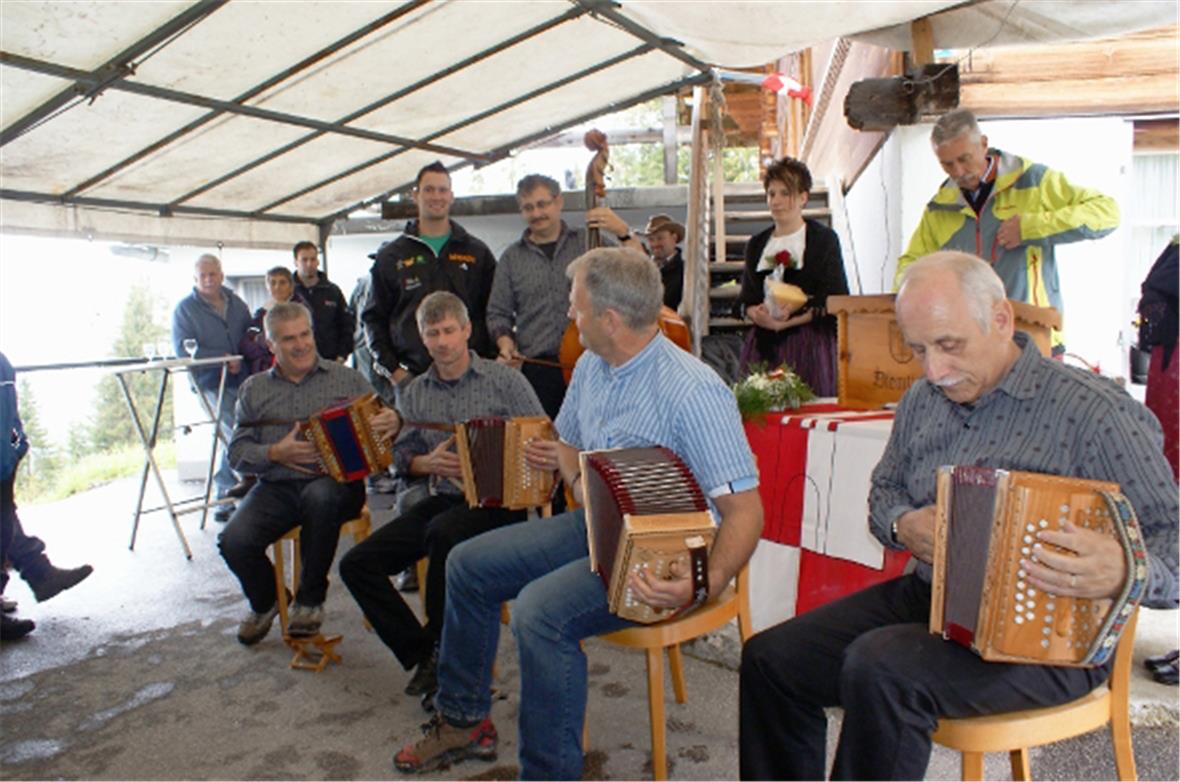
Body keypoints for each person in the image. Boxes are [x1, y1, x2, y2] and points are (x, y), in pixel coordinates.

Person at [738, 251, 1178, 780]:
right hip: (934, 597)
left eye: (949, 346)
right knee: (771, 660)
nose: (934, 371)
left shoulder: (1098, 413)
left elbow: (1171, 537)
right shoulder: (922, 400)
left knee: (881, 667)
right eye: (918, 350)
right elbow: (884, 491)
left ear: (1000, 320)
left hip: (1049, 636)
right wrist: (903, 523)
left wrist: (1128, 568)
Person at [393, 248, 764, 779]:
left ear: (610, 320)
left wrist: (702, 581)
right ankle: (464, 718)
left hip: (666, 557)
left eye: (576, 306)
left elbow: (746, 512)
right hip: (595, 526)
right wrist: (575, 479)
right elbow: (566, 442)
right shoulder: (592, 363)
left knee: (538, 614)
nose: (570, 315)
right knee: (467, 565)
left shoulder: (694, 391)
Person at [340, 291, 546, 701]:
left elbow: (543, 434)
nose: (442, 342)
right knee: (356, 564)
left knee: (442, 533)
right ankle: (425, 653)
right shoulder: (414, 393)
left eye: (450, 330)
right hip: (444, 500)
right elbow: (399, 457)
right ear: (421, 337)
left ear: (467, 331)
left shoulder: (506, 381)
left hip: (501, 505)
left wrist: (514, 462)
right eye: (432, 333)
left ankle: (441, 655)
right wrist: (423, 464)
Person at [219, 302, 401, 644]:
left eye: (305, 334)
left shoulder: (346, 378)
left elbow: (386, 421)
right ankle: (267, 600)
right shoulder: (254, 389)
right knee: (233, 541)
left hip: (339, 485)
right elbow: (237, 455)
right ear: (270, 345)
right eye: (288, 339)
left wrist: (393, 420)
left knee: (320, 495)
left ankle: (310, 599)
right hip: (277, 487)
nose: (300, 344)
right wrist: (274, 452)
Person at [896, 108, 1120, 353]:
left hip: (1035, 338)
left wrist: (1030, 228)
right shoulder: (938, 208)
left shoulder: (1034, 181)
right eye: (947, 164)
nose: (958, 172)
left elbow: (1107, 213)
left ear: (983, 144)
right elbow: (912, 264)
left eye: (964, 159)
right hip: (974, 344)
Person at [488, 174, 643, 419]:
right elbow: (498, 312)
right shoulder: (510, 259)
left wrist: (624, 232)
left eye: (542, 204)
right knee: (546, 447)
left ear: (558, 201)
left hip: (595, 363)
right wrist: (505, 343)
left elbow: (639, 269)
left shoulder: (589, 242)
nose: (536, 213)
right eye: (528, 208)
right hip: (540, 371)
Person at [362, 161, 497, 389]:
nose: (436, 196)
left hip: (471, 379)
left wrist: (493, 362)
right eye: (429, 189)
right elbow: (373, 319)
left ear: (451, 196)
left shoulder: (477, 253)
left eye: (442, 190)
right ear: (415, 195)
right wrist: (394, 372)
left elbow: (494, 311)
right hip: (412, 379)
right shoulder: (390, 257)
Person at [737, 156, 849, 395]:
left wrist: (789, 321)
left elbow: (834, 297)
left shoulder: (823, 240)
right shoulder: (756, 245)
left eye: (785, 193)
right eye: (771, 194)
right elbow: (746, 298)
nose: (776, 201)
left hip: (810, 345)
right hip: (763, 345)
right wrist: (757, 315)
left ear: (803, 197)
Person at [1, 353, 93, 639]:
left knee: (4, 519)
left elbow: (10, 413)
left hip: (5, 455)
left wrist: (18, 445)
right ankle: (39, 573)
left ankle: (40, 573)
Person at [171, 254, 253, 521]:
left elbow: (248, 336)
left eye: (212, 274)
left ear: (220, 274)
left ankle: (225, 495)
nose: (208, 279)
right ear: (195, 278)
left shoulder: (237, 303)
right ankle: (234, 493)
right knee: (232, 434)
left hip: (241, 379)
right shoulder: (185, 309)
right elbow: (184, 347)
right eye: (203, 275)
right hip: (208, 382)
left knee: (233, 435)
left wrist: (243, 358)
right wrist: (222, 358)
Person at [292, 241, 355, 363]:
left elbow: (347, 325)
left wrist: (342, 356)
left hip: (330, 361)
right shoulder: (289, 293)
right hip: (296, 362)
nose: (309, 264)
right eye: (304, 260)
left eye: (313, 259)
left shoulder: (333, 291)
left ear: (318, 261)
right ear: (295, 262)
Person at [239, 266, 301, 377]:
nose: (277, 287)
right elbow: (246, 344)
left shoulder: (301, 311)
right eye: (273, 283)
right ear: (267, 286)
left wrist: (265, 342)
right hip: (266, 371)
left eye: (282, 282)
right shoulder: (261, 314)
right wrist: (266, 350)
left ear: (291, 286)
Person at [643, 213, 686, 310]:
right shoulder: (643, 268)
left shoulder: (685, 271)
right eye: (651, 239)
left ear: (674, 238)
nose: (655, 244)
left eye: (660, 238)